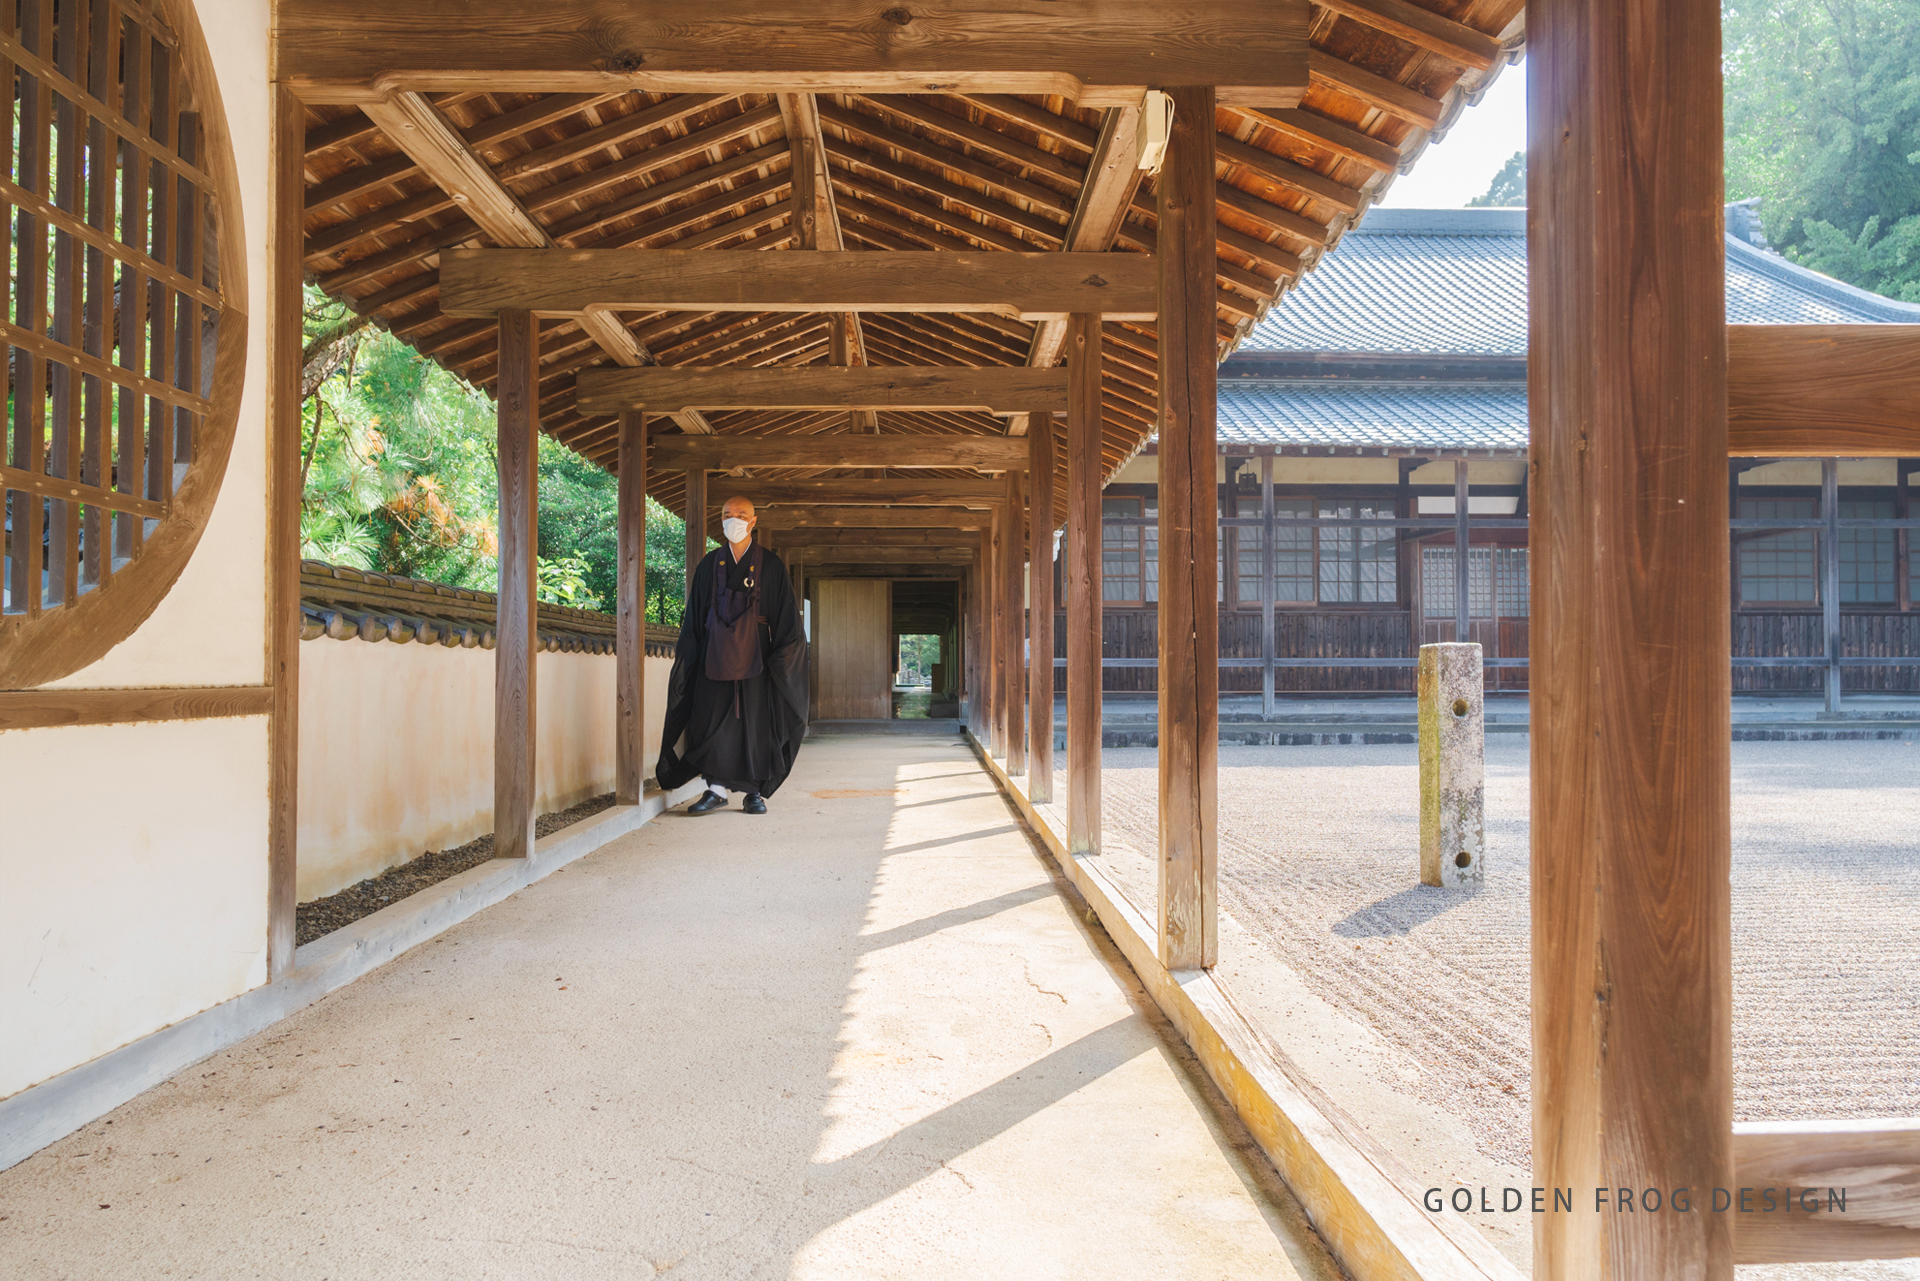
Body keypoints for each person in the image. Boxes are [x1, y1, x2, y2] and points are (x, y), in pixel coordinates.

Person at [656, 496, 809, 814]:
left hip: (758, 659)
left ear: (753, 522)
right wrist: (691, 661)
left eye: (741, 515)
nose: (734, 520)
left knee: (756, 722)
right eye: (728, 515)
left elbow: (787, 622)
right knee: (711, 721)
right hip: (715, 656)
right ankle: (715, 789)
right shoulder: (710, 565)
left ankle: (754, 792)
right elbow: (694, 620)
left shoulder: (771, 565)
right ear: (720, 520)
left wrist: (779, 664)